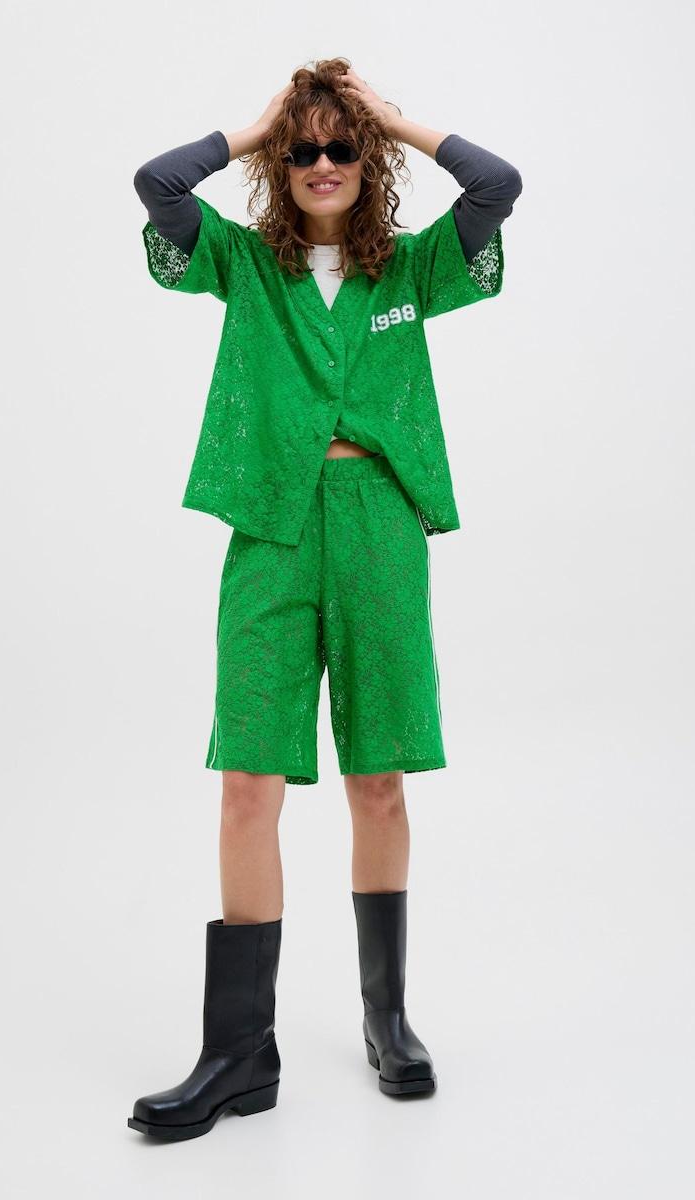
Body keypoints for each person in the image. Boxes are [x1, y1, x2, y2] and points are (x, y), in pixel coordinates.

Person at [127, 58, 523, 1141]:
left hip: (379, 529)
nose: (321, 163)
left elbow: (497, 186)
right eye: (302, 149)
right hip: (271, 526)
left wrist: (391, 117)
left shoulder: (413, 270)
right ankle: (238, 1052)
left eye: (340, 146)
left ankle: (386, 1017)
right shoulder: (245, 265)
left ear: (368, 158)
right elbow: (158, 185)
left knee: (378, 779)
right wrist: (254, 130)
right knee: (248, 781)